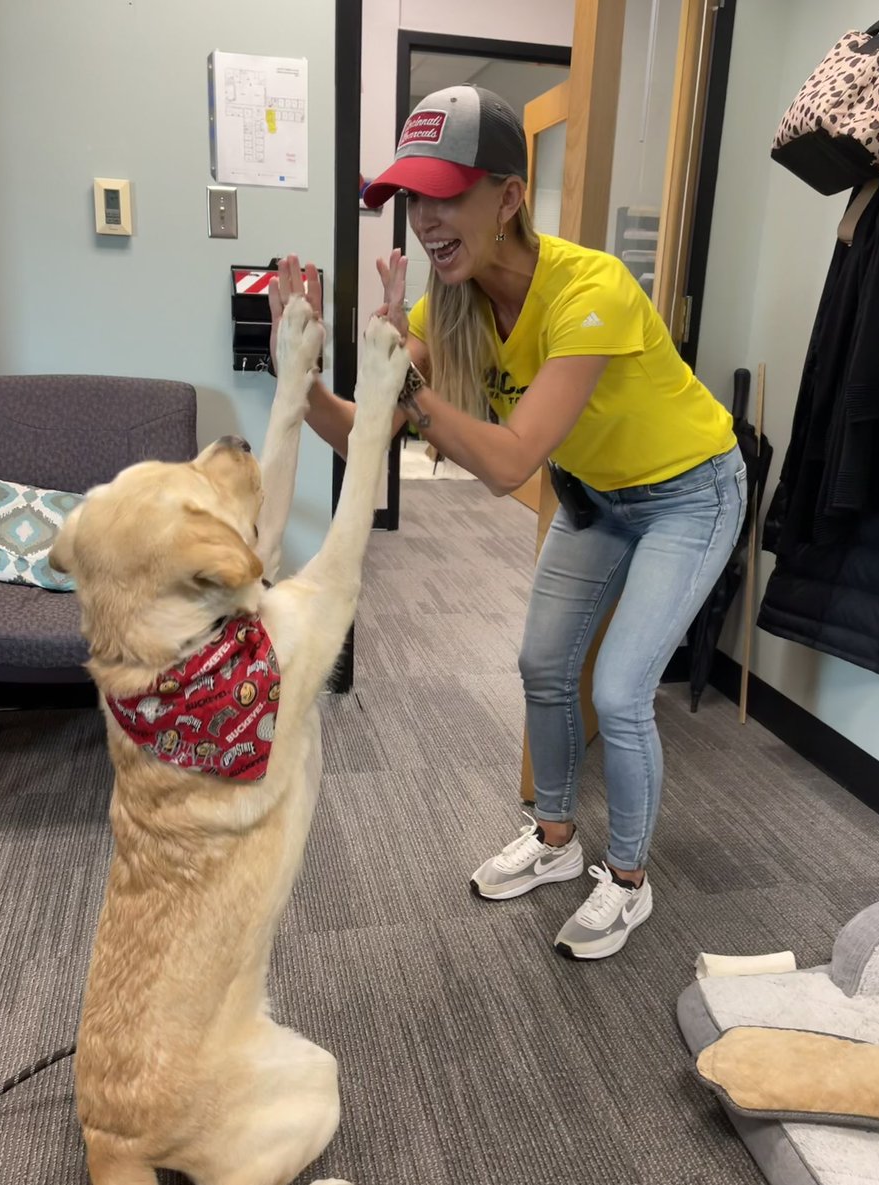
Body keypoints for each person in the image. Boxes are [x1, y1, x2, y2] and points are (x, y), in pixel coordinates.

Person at [268, 85, 747, 961]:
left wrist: (403, 385)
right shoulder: (444, 311)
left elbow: (509, 462)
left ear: (510, 196)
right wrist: (299, 377)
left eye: (446, 193)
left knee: (619, 690)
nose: (425, 218)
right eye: (413, 197)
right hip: (598, 499)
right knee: (542, 666)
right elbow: (363, 432)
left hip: (691, 491)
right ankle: (555, 841)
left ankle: (629, 882)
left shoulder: (590, 288)